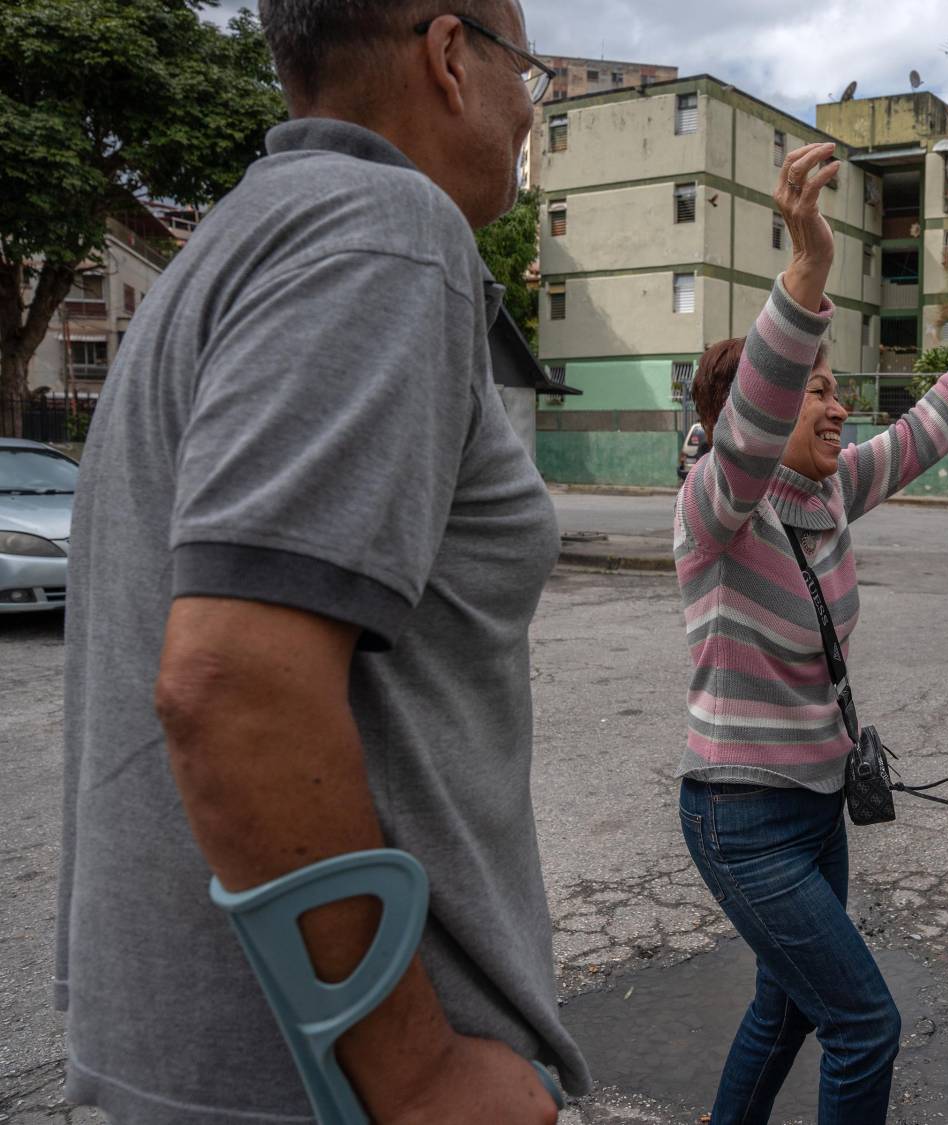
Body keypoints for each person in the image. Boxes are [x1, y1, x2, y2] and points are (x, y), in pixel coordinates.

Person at [56, 3, 585, 1122]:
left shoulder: (230, 247)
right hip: (324, 1088)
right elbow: (233, 684)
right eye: (524, 71)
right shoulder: (386, 226)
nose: (527, 109)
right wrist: (417, 1074)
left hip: (203, 1066)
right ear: (450, 58)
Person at [674, 141, 948, 1125]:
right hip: (738, 819)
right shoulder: (715, 513)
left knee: (789, 1007)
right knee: (864, 1023)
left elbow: (928, 425)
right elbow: (749, 435)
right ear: (754, 405)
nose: (838, 405)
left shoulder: (827, 495)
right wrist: (806, 271)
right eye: (817, 389)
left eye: (836, 390)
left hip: (813, 806)